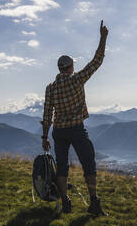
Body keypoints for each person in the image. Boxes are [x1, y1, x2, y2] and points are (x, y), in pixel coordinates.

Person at [41, 20, 108, 215]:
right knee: (89, 163)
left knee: (62, 167)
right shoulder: (77, 80)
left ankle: (66, 202)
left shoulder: (50, 88)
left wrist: (45, 138)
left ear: (59, 68)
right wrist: (103, 38)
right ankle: (94, 203)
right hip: (76, 128)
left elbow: (47, 115)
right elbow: (97, 61)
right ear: (70, 67)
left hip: (58, 131)